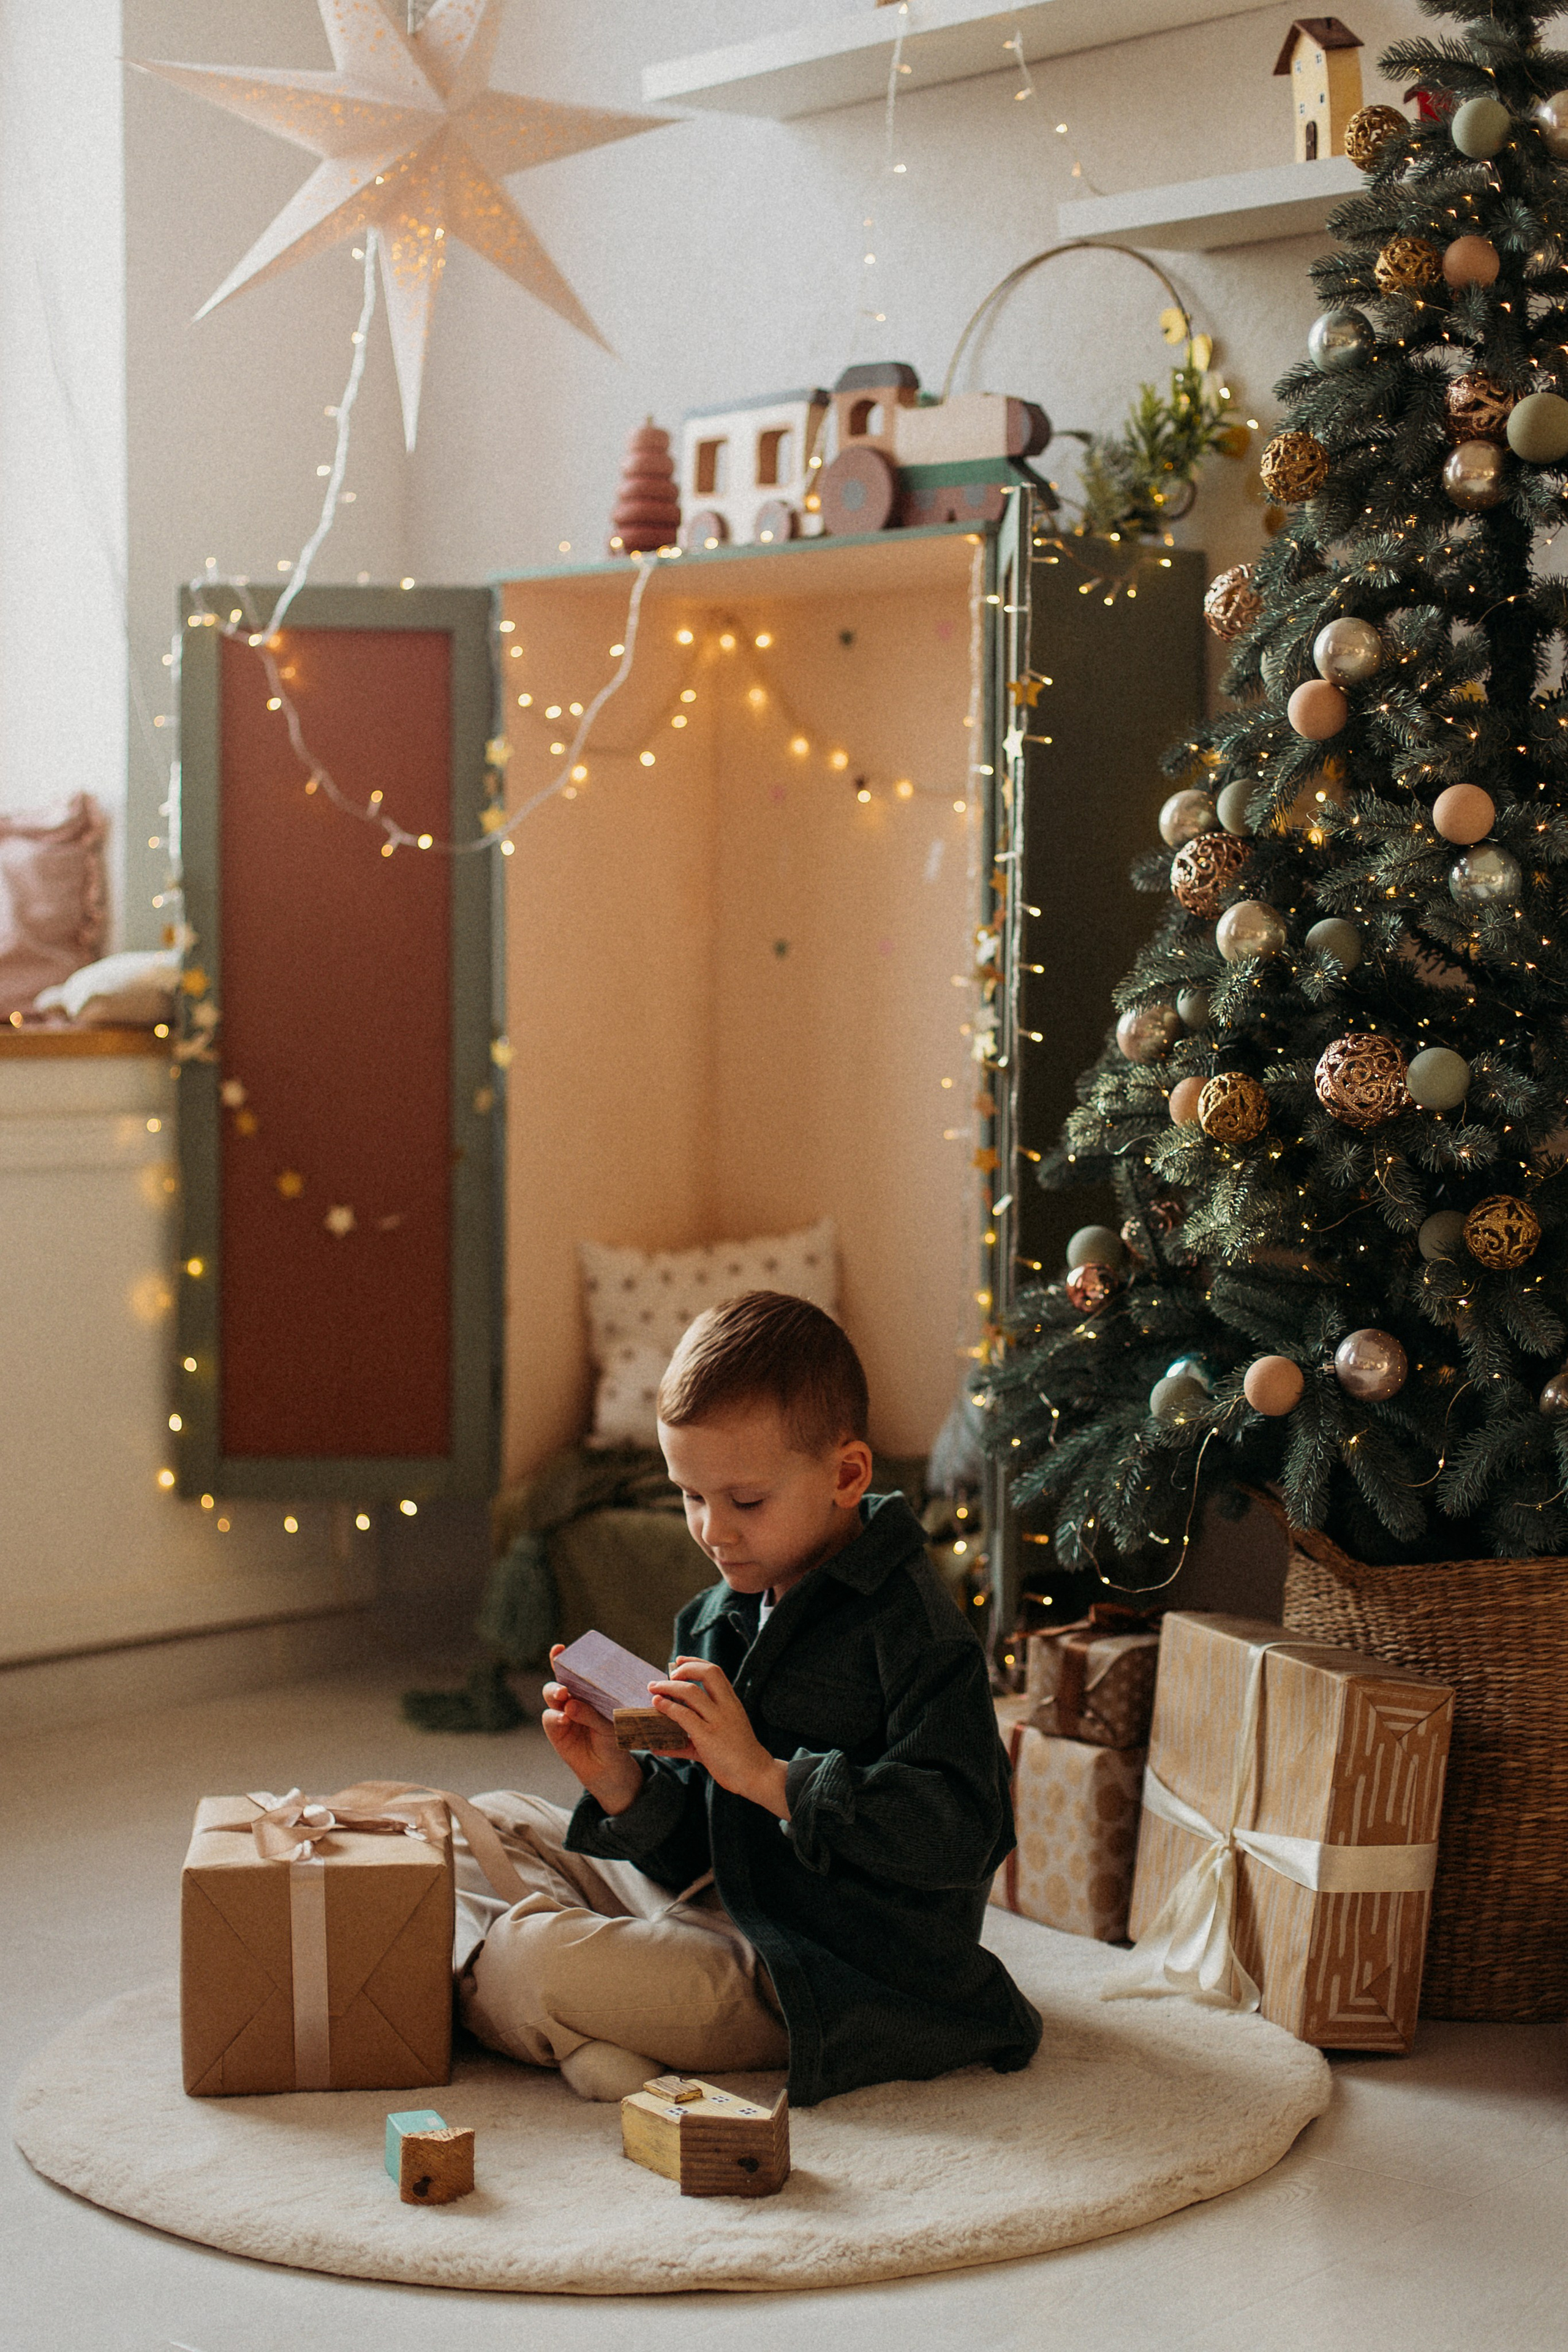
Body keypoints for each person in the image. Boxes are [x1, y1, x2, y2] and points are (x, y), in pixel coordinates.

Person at [455, 1289, 1042, 2104]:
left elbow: (964, 1832)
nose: (713, 1532)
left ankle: (585, 2016)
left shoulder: (914, 1626)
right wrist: (620, 1783)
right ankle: (606, 2022)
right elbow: (694, 1852)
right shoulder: (713, 1615)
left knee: (523, 1966)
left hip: (820, 1967)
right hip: (714, 1903)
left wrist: (770, 1779)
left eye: (746, 1501)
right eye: (691, 1497)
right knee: (477, 1826)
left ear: (847, 1475)